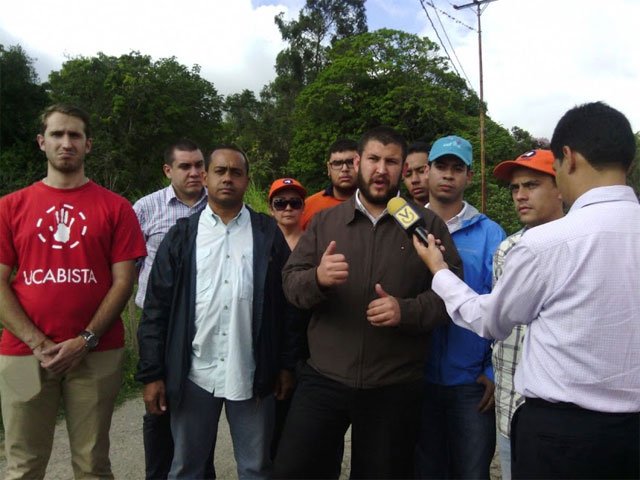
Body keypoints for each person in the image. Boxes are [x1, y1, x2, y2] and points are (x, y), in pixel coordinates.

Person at [411, 102, 640, 479]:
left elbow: (489, 320)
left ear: (567, 158)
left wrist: (438, 269)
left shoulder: (545, 244)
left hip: (562, 438)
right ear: (628, 163)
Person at [272, 126, 463, 479]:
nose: (381, 170)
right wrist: (318, 279)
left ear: (403, 168)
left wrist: (404, 311)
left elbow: (451, 297)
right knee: (293, 471)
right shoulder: (326, 221)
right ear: (359, 162)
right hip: (323, 378)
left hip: (393, 385)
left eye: (391, 162)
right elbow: (290, 284)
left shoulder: (424, 223)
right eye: (374, 159)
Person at [0, 104, 147, 478]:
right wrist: (36, 342)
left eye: (75, 135)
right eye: (57, 134)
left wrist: (85, 340)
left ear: (88, 144)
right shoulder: (10, 207)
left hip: (96, 352)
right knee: (24, 464)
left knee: (92, 462)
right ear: (41, 142)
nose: (66, 142)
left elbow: (123, 282)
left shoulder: (116, 208)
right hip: (24, 352)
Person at [136, 147, 299, 479]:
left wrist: (285, 364)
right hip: (194, 371)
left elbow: (287, 307)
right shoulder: (181, 236)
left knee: (256, 467)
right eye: (220, 171)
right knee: (186, 468)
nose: (228, 178)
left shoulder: (268, 234)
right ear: (206, 177)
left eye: (236, 172)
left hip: (251, 371)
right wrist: (152, 374)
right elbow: (156, 309)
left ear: (247, 180)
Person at [415, 135, 505, 479]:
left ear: (469, 176)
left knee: (471, 471)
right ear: (426, 171)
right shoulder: (407, 226)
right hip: (416, 378)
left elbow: (506, 309)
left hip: (471, 384)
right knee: (424, 470)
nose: (448, 175)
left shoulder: (491, 235)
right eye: (441, 166)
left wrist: (494, 373)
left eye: (457, 168)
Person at [132, 139, 209, 479]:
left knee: (201, 407)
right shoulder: (146, 209)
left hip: (203, 323)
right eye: (184, 166)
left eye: (198, 165)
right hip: (159, 323)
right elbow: (130, 269)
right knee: (158, 405)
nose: (194, 172)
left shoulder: (218, 206)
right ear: (168, 170)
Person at [490, 149, 563, 479]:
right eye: (515, 188)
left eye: (531, 185)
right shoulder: (508, 249)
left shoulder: (581, 242)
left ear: (560, 186)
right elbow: (497, 324)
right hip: (510, 405)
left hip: (564, 414)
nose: (520, 195)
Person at [300, 138, 358, 229]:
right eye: (337, 163)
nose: (344, 169)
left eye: (351, 162)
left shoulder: (375, 205)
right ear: (328, 168)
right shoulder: (309, 206)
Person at [268, 178, 307, 251]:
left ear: (303, 207)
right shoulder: (262, 242)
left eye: (295, 203)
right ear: (271, 209)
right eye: (280, 203)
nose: (288, 208)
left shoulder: (314, 242)